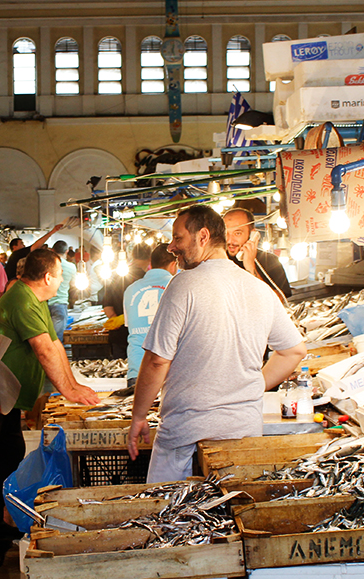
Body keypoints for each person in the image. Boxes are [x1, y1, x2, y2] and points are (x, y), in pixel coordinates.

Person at [128, 205, 306, 482]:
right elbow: (294, 351)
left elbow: (157, 360)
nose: (171, 247)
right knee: (231, 505)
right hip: (243, 431)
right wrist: (249, 387)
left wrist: (139, 416)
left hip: (187, 433)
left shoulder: (183, 285)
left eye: (178, 238)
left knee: (168, 506)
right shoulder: (260, 289)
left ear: (202, 236)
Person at [0, 248, 99, 541]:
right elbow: (43, 350)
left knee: (10, 454)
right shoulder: (22, 300)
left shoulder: (37, 300)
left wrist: (73, 386)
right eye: (61, 275)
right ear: (47, 277)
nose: (63, 281)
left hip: (8, 396)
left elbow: (55, 345)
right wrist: (67, 390)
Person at [124, 244, 178, 382]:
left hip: (137, 370)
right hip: (169, 373)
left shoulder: (131, 290)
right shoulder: (178, 287)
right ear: (173, 265)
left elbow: (132, 328)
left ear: (151, 263)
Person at [223, 207, 291, 300]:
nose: (230, 240)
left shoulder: (270, 260)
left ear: (252, 234)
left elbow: (278, 301)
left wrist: (250, 266)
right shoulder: (217, 260)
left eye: (237, 233)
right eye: (226, 233)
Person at [100, 243, 151, 358]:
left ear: (132, 255)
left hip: (119, 336)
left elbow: (107, 307)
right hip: (142, 337)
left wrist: (119, 321)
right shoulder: (148, 279)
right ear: (150, 258)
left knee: (120, 366)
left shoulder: (116, 276)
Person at [47, 240, 76, 340]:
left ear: (52, 250)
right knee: (57, 339)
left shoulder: (47, 266)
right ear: (67, 251)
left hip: (45, 303)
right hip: (60, 303)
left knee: (46, 337)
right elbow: (74, 284)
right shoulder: (71, 267)